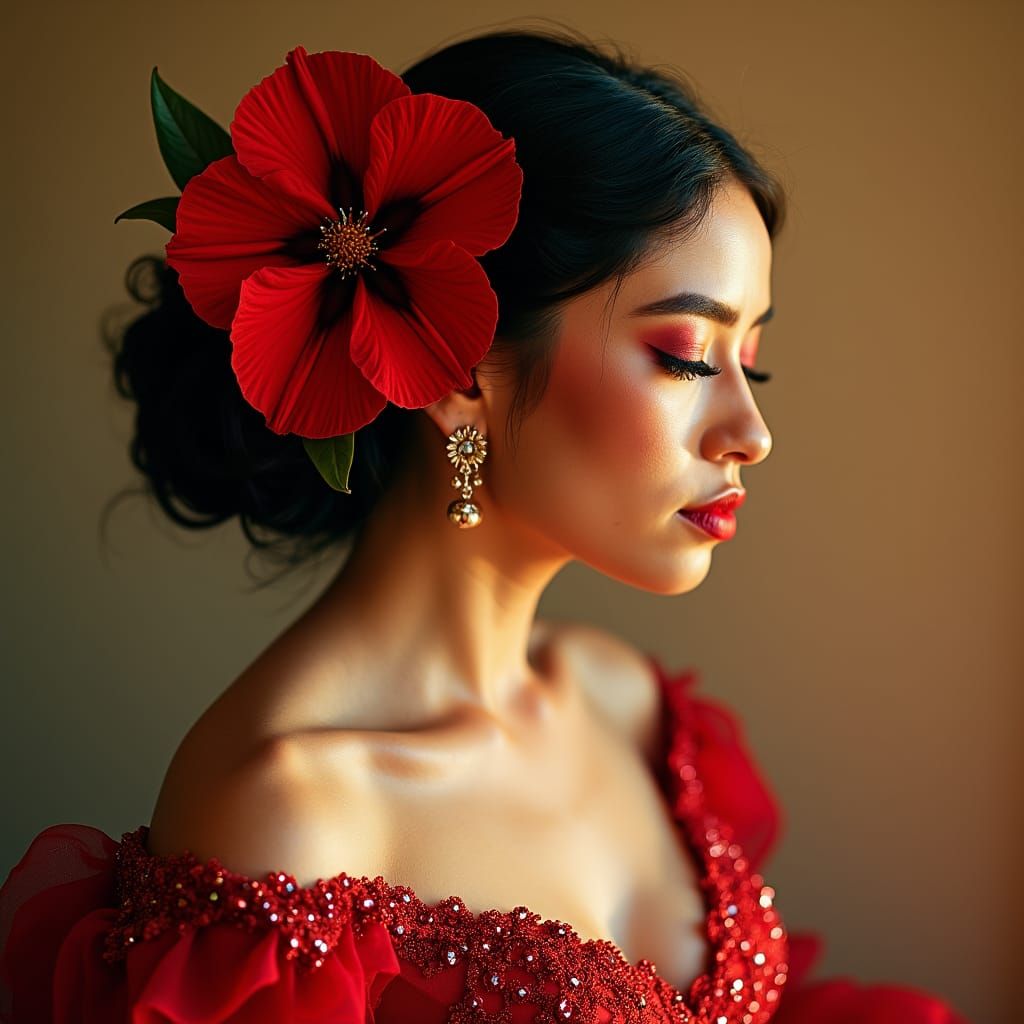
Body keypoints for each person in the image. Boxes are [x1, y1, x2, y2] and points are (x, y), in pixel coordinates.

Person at [0, 26, 970, 1024]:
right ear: (457, 368)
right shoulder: (288, 820)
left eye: (750, 361)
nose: (750, 433)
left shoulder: (634, 710)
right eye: (686, 355)